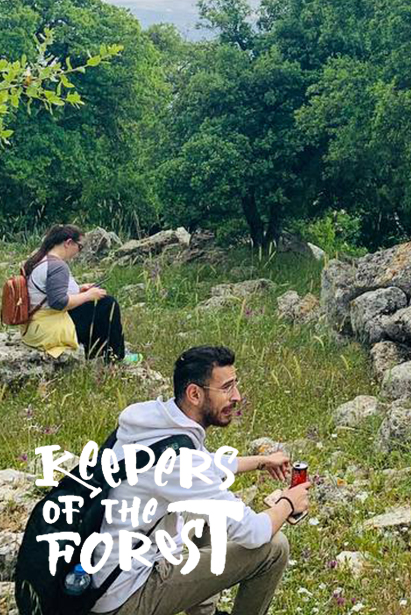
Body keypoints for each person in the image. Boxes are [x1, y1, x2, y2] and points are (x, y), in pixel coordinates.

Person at [90, 345, 306, 615]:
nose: (237, 396)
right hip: (125, 598)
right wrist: (287, 502)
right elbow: (253, 532)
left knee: (201, 518)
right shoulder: (179, 461)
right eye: (227, 388)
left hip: (104, 576)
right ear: (194, 393)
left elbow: (204, 463)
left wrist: (260, 462)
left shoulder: (152, 421)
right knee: (274, 548)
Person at [19, 224, 141, 364]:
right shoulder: (58, 266)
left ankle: (106, 352)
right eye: (80, 247)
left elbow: (49, 292)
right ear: (68, 243)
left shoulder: (40, 261)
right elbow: (58, 302)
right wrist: (88, 296)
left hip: (34, 327)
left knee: (99, 305)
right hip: (48, 330)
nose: (79, 252)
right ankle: (117, 356)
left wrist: (79, 289)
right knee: (108, 304)